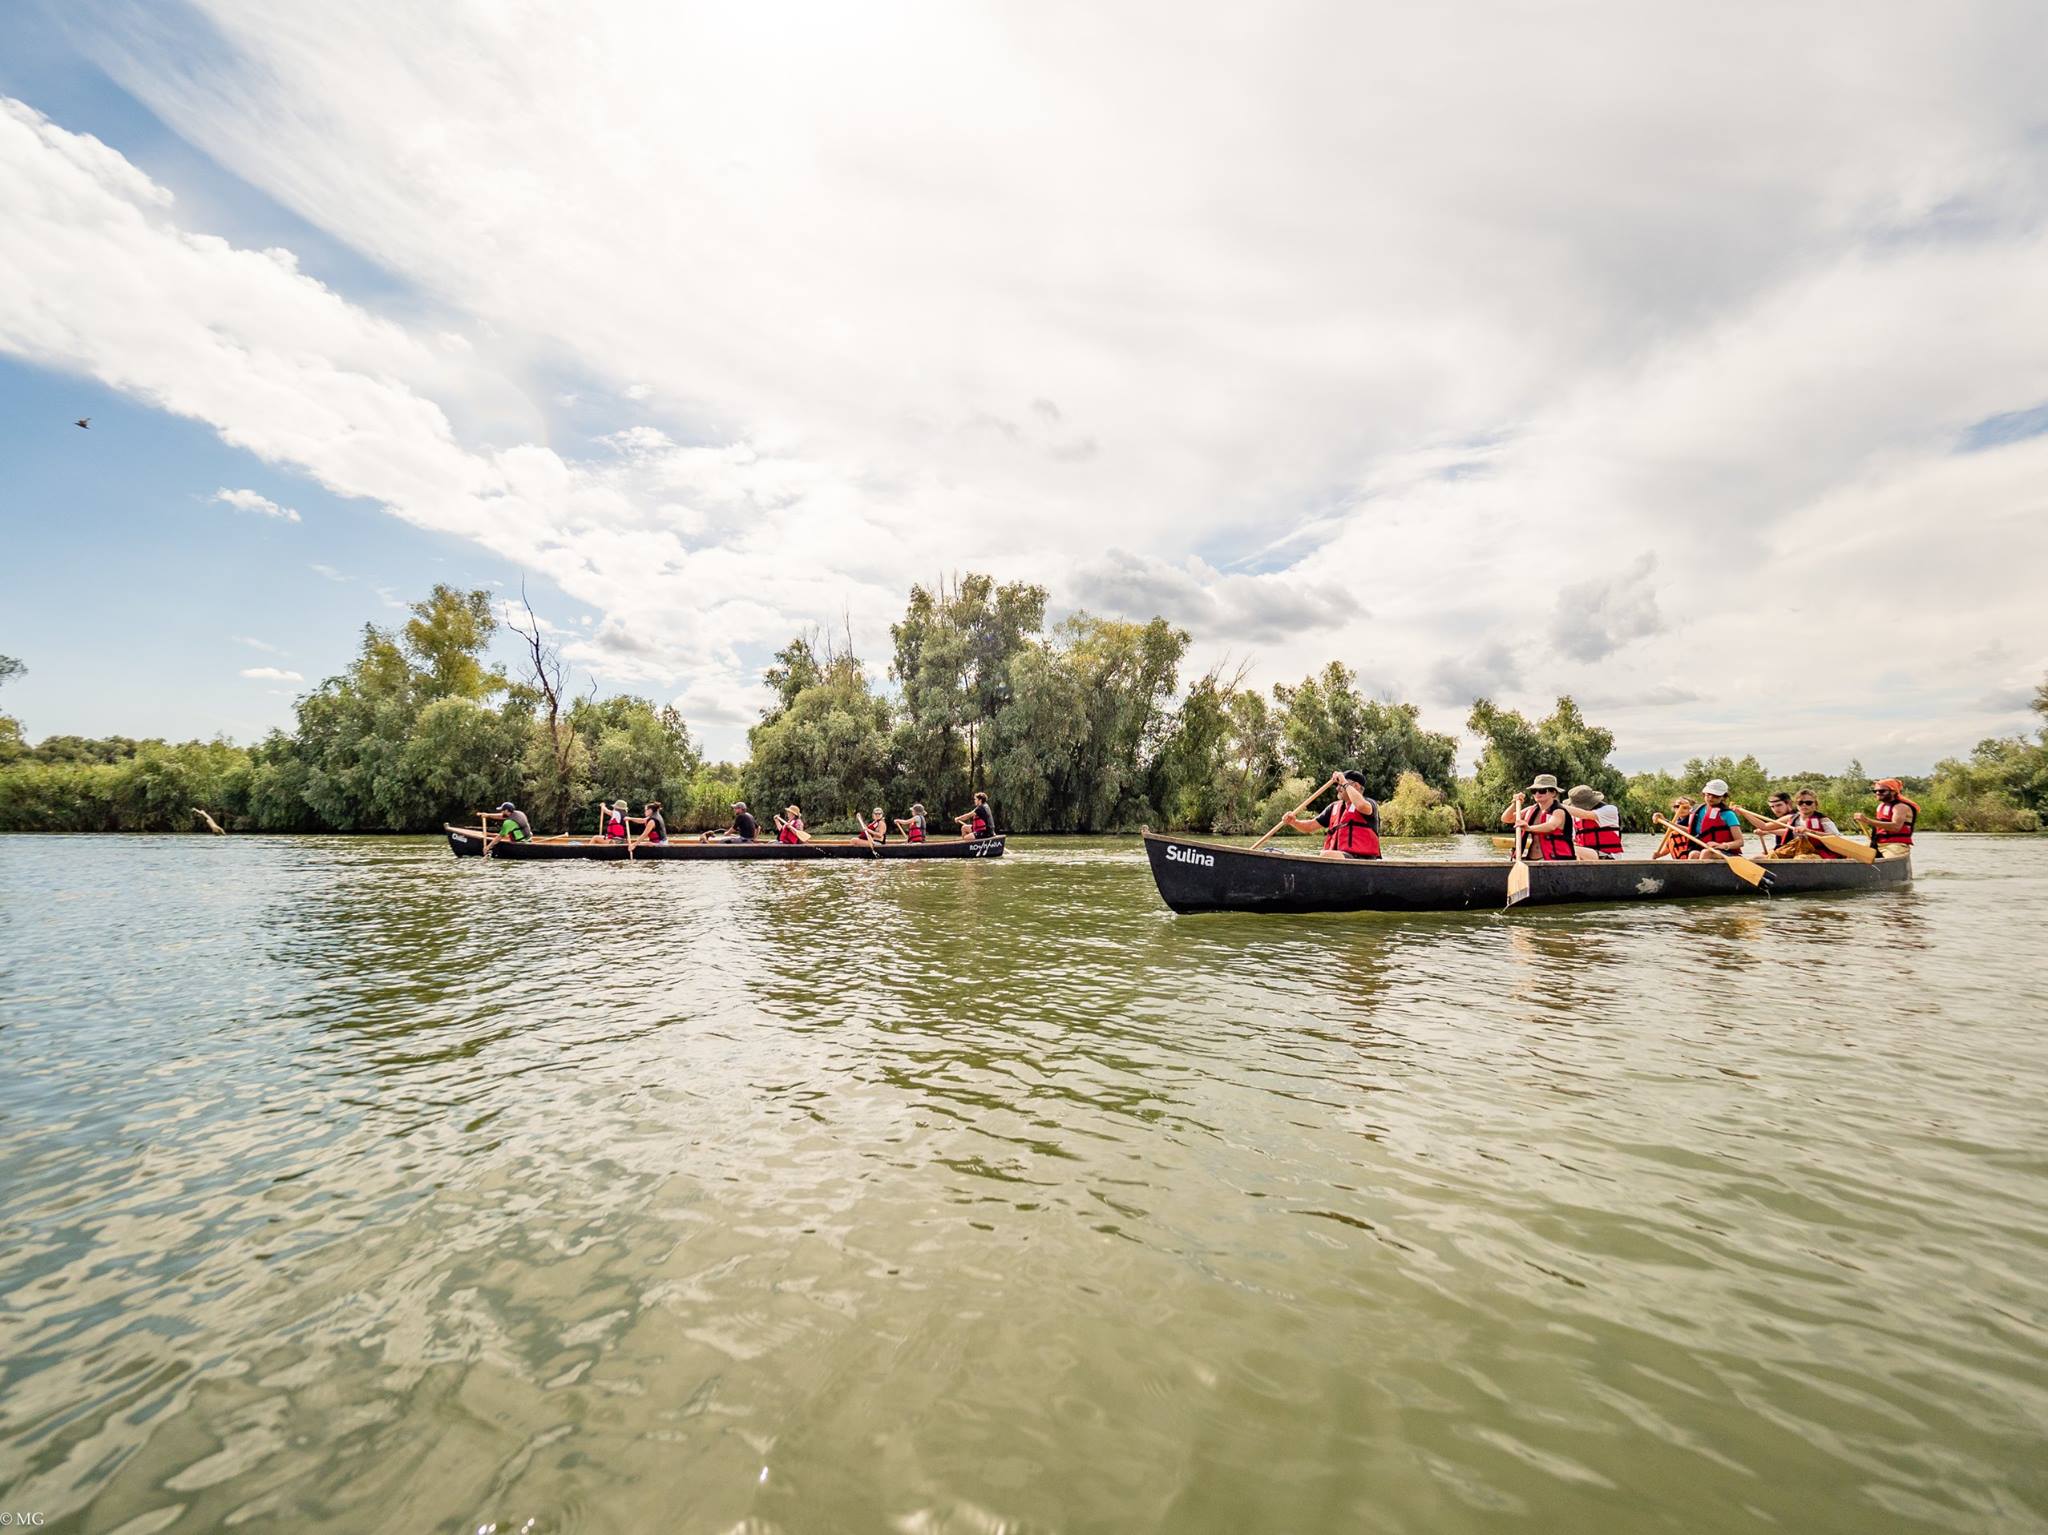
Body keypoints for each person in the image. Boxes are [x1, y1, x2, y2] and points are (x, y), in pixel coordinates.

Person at [1282, 769, 1381, 858]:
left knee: (1326, 855)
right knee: (1326, 854)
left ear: (1355, 786)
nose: (1337, 788)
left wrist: (1344, 782)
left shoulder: (1369, 803)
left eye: (1340, 785)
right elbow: (1310, 826)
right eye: (1338, 785)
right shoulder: (1334, 807)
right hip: (1340, 858)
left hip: (1361, 859)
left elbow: (1361, 806)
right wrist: (1294, 822)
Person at [1501, 773, 1574, 860]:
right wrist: (1514, 804)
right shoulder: (1531, 810)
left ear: (1553, 793)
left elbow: (1552, 826)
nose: (1537, 794)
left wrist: (1529, 828)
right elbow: (1506, 819)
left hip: (1555, 859)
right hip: (1532, 858)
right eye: (1534, 791)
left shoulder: (1558, 811)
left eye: (1542, 791)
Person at [1854, 778, 1918, 856]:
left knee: (1890, 859)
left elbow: (1896, 827)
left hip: (1895, 844)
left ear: (1893, 792)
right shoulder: (1881, 806)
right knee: (1850, 853)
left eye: (1882, 791)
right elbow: (1880, 826)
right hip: (1877, 844)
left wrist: (1867, 820)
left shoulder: (1900, 807)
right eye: (1875, 791)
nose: (1877, 793)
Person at [1683, 779, 1744, 859]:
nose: (1711, 798)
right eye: (1708, 794)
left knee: (1706, 853)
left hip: (1725, 852)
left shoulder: (1728, 814)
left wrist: (1722, 845)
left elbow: (1740, 842)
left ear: (1723, 797)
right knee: (1693, 854)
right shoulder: (1697, 811)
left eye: (1716, 796)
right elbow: (1687, 829)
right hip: (1703, 849)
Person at [1775, 789, 1844, 859]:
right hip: (1796, 850)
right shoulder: (1792, 819)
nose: (1804, 805)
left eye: (1808, 802)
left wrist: (1810, 831)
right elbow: (1782, 832)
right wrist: (1769, 831)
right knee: (1772, 855)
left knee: (1801, 858)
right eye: (1800, 802)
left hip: (1818, 851)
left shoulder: (1823, 820)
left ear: (1816, 804)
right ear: (1796, 805)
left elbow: (1836, 837)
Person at [1565, 784, 1623, 859]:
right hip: (1587, 856)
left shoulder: (1609, 810)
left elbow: (1586, 814)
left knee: (1572, 849)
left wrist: (1556, 806)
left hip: (1608, 856)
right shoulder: (1575, 818)